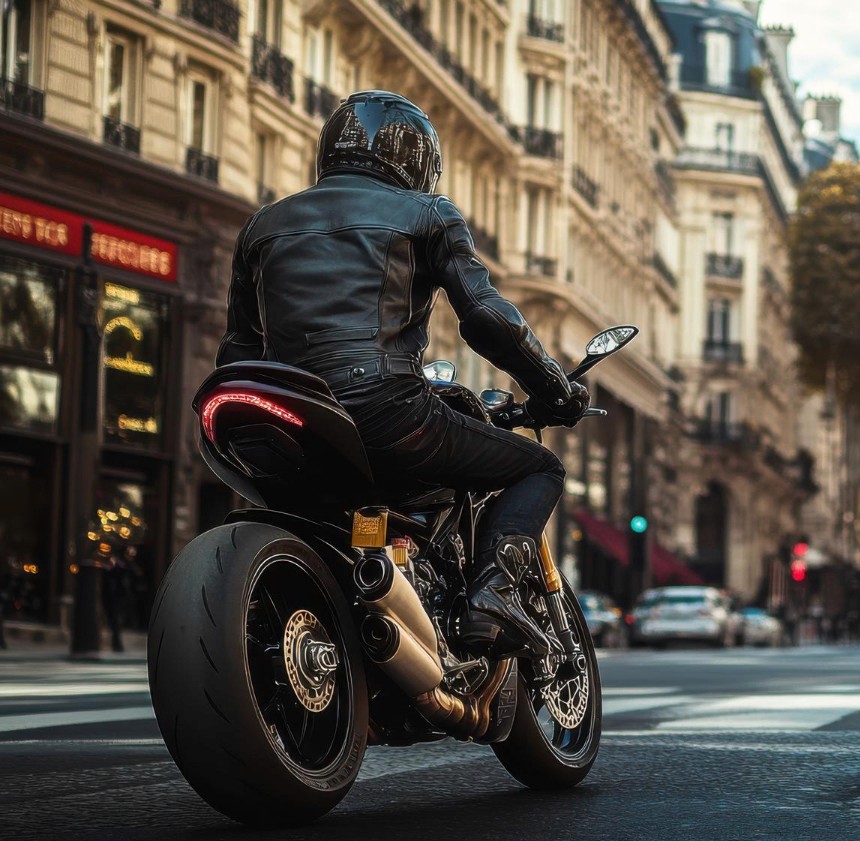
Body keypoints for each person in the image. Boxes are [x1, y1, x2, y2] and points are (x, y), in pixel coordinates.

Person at [215, 91, 588, 679]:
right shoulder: (427, 213)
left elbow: (238, 347)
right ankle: (492, 593)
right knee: (539, 468)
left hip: (281, 414)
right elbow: (488, 319)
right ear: (417, 159)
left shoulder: (264, 223)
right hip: (384, 409)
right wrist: (555, 387)